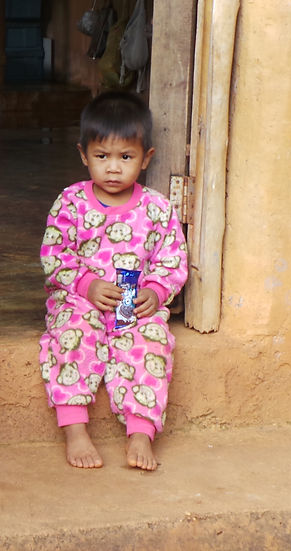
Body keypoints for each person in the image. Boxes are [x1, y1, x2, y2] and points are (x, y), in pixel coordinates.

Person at [38, 90, 188, 471]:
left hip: (131, 304)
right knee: (72, 335)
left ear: (146, 158)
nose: (113, 169)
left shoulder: (157, 208)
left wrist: (155, 292)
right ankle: (75, 429)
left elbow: (172, 259)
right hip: (79, 299)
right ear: (84, 154)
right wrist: (86, 285)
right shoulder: (71, 202)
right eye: (102, 156)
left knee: (150, 341)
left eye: (126, 157)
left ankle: (141, 431)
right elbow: (54, 253)